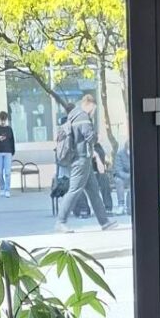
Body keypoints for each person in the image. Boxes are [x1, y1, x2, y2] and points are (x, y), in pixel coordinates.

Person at [56, 94, 117, 233]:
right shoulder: (83, 117)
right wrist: (97, 137)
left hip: (83, 159)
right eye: (94, 108)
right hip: (81, 160)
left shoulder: (74, 115)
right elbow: (90, 137)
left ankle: (105, 222)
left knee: (94, 191)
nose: (93, 111)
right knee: (74, 191)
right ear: (89, 104)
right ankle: (61, 221)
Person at [0, 110, 16, 197]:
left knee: (7, 172)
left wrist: (12, 152)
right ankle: (2, 188)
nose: (3, 121)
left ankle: (7, 189)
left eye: (4, 120)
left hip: (8, 152)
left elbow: (12, 141)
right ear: (0, 119)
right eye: (2, 120)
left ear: (6, 119)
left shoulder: (9, 129)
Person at [113, 140, 131, 215]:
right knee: (118, 181)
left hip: (132, 177)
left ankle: (130, 206)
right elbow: (118, 171)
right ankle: (121, 205)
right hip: (123, 177)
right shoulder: (120, 154)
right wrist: (130, 176)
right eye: (129, 150)